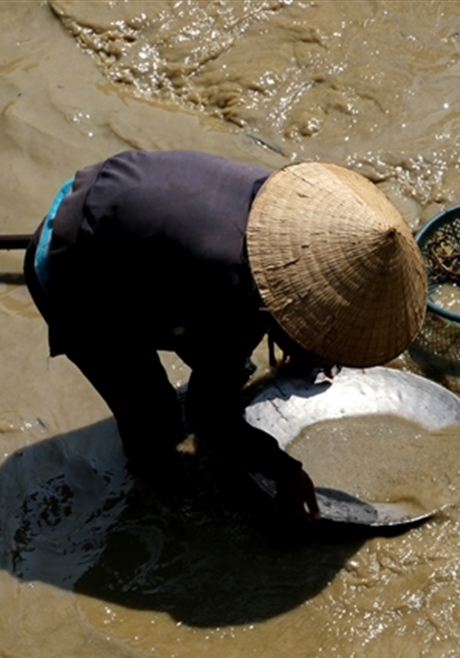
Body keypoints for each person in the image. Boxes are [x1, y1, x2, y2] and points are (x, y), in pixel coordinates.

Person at [23, 150, 427, 520]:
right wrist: (283, 470)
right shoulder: (235, 290)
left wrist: (294, 350)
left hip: (121, 201)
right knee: (156, 419)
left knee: (225, 364)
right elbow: (207, 416)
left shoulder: (283, 209)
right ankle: (154, 498)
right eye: (325, 343)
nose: (331, 357)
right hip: (72, 267)